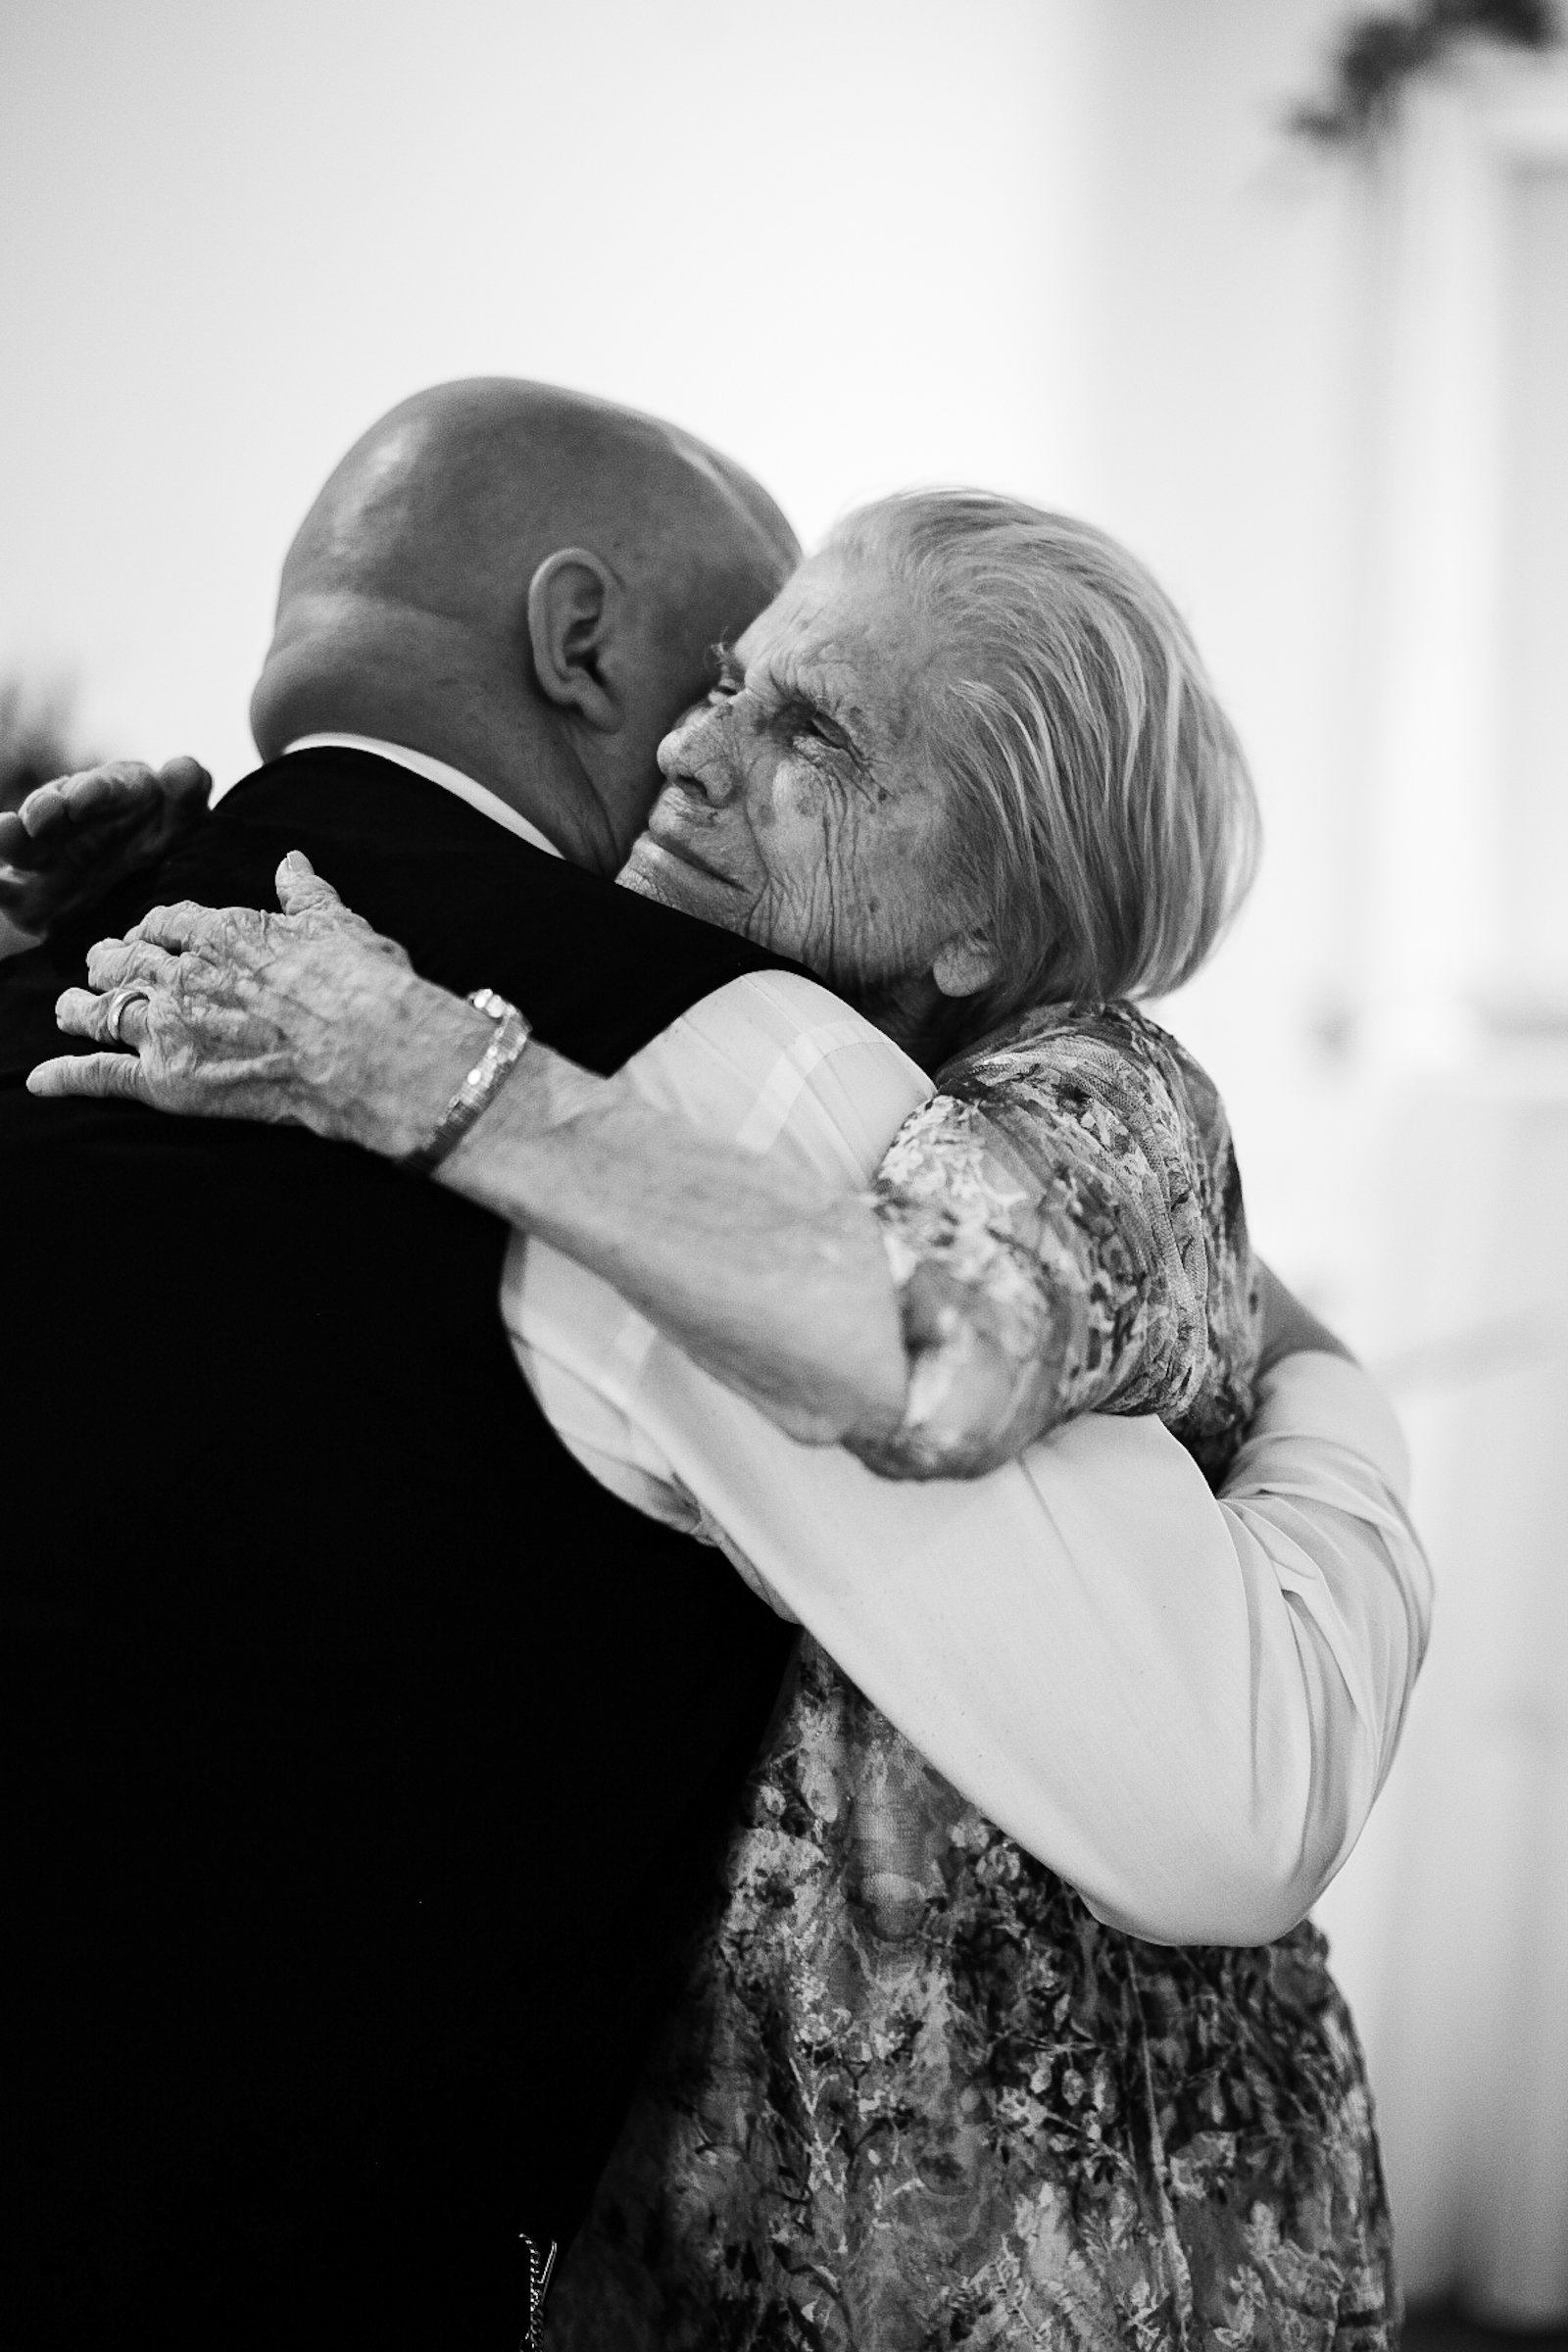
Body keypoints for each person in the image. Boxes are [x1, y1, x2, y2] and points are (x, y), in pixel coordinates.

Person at [24, 483, 1429, 2342]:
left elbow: (940, 1338)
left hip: (1073, 2237)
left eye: (811, 733)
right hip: (715, 2224)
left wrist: (422, 1065)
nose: (692, 750)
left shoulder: (1099, 1092)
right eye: (730, 686)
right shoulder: (708, 1035)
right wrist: (183, 859)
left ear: (988, 924)